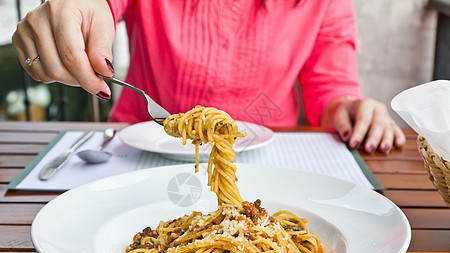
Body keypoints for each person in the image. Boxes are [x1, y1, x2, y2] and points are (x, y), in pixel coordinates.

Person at [12, 0, 405, 153]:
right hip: (137, 148)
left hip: (266, 156)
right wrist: (77, 10)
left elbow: (330, 90)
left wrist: (352, 109)